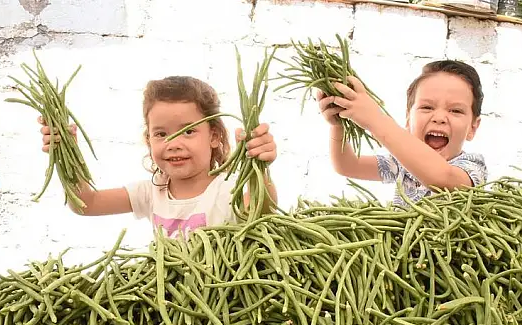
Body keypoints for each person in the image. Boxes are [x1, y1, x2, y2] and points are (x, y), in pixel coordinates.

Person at [39, 76, 279, 238]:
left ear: (214, 136)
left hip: (224, 307)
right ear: (148, 138)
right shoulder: (152, 191)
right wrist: (65, 154)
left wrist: (260, 166)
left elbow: (262, 214)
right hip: (167, 309)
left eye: (188, 131)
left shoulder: (228, 190)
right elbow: (86, 204)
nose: (173, 144)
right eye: (161, 133)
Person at [317, 60, 487, 206]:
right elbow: (348, 166)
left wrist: (376, 120)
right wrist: (339, 125)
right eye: (427, 107)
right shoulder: (401, 163)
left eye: (455, 111)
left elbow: (442, 177)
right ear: (408, 118)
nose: (440, 117)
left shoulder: (472, 167)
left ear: (472, 128)